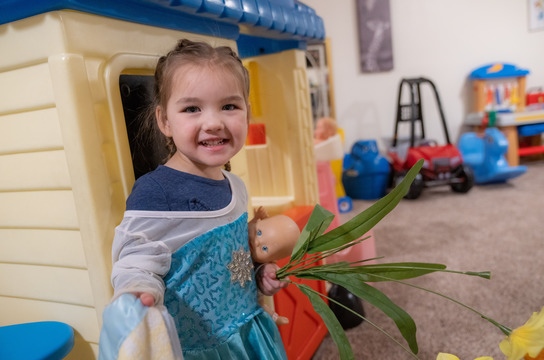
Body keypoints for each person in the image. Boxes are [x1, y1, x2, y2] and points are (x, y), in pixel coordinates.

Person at [110, 39, 288, 359]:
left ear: (247, 111)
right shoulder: (156, 192)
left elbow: (234, 258)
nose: (213, 122)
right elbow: (133, 262)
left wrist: (260, 275)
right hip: (203, 349)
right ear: (165, 120)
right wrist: (138, 292)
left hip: (249, 333)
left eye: (229, 106)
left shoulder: (236, 186)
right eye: (192, 108)